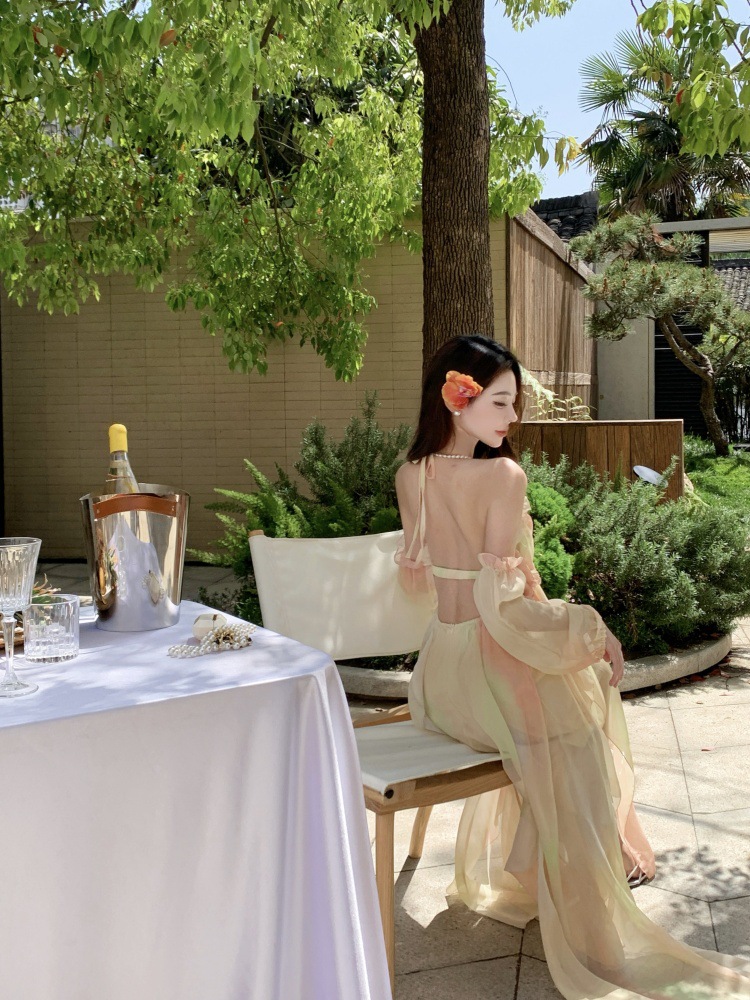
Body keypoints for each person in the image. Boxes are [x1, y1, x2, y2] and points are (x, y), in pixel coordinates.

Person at [395, 335, 750, 1000]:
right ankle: (586, 880)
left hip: (438, 680)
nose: (513, 418)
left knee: (567, 698)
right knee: (580, 716)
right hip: (486, 671)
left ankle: (572, 857)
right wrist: (590, 627)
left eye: (515, 403)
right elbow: (505, 608)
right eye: (500, 402)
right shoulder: (503, 478)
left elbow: (436, 591)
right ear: (457, 399)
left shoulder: (411, 473)